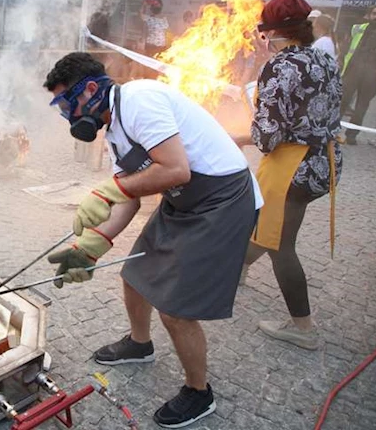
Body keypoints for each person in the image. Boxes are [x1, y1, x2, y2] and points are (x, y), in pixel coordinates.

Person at [44, 52, 261, 428]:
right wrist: (92, 246)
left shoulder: (140, 100)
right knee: (134, 275)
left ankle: (199, 392)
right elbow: (129, 197)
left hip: (222, 200)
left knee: (175, 309)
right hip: (184, 200)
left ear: (91, 90)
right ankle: (140, 343)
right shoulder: (114, 130)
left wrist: (109, 190)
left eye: (66, 103)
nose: (66, 115)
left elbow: (176, 169)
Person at [235, 0, 343, 351]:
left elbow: (268, 136)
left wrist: (241, 137)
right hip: (325, 161)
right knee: (270, 221)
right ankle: (236, 269)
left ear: (273, 33)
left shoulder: (280, 66)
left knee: (280, 243)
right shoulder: (323, 59)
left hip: (293, 167)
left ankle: (303, 328)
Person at [339, 4, 376, 144]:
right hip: (352, 72)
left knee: (361, 107)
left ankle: (351, 135)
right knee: (342, 103)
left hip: (372, 76)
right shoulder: (357, 28)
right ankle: (332, 131)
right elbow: (345, 48)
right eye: (374, 13)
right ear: (370, 14)